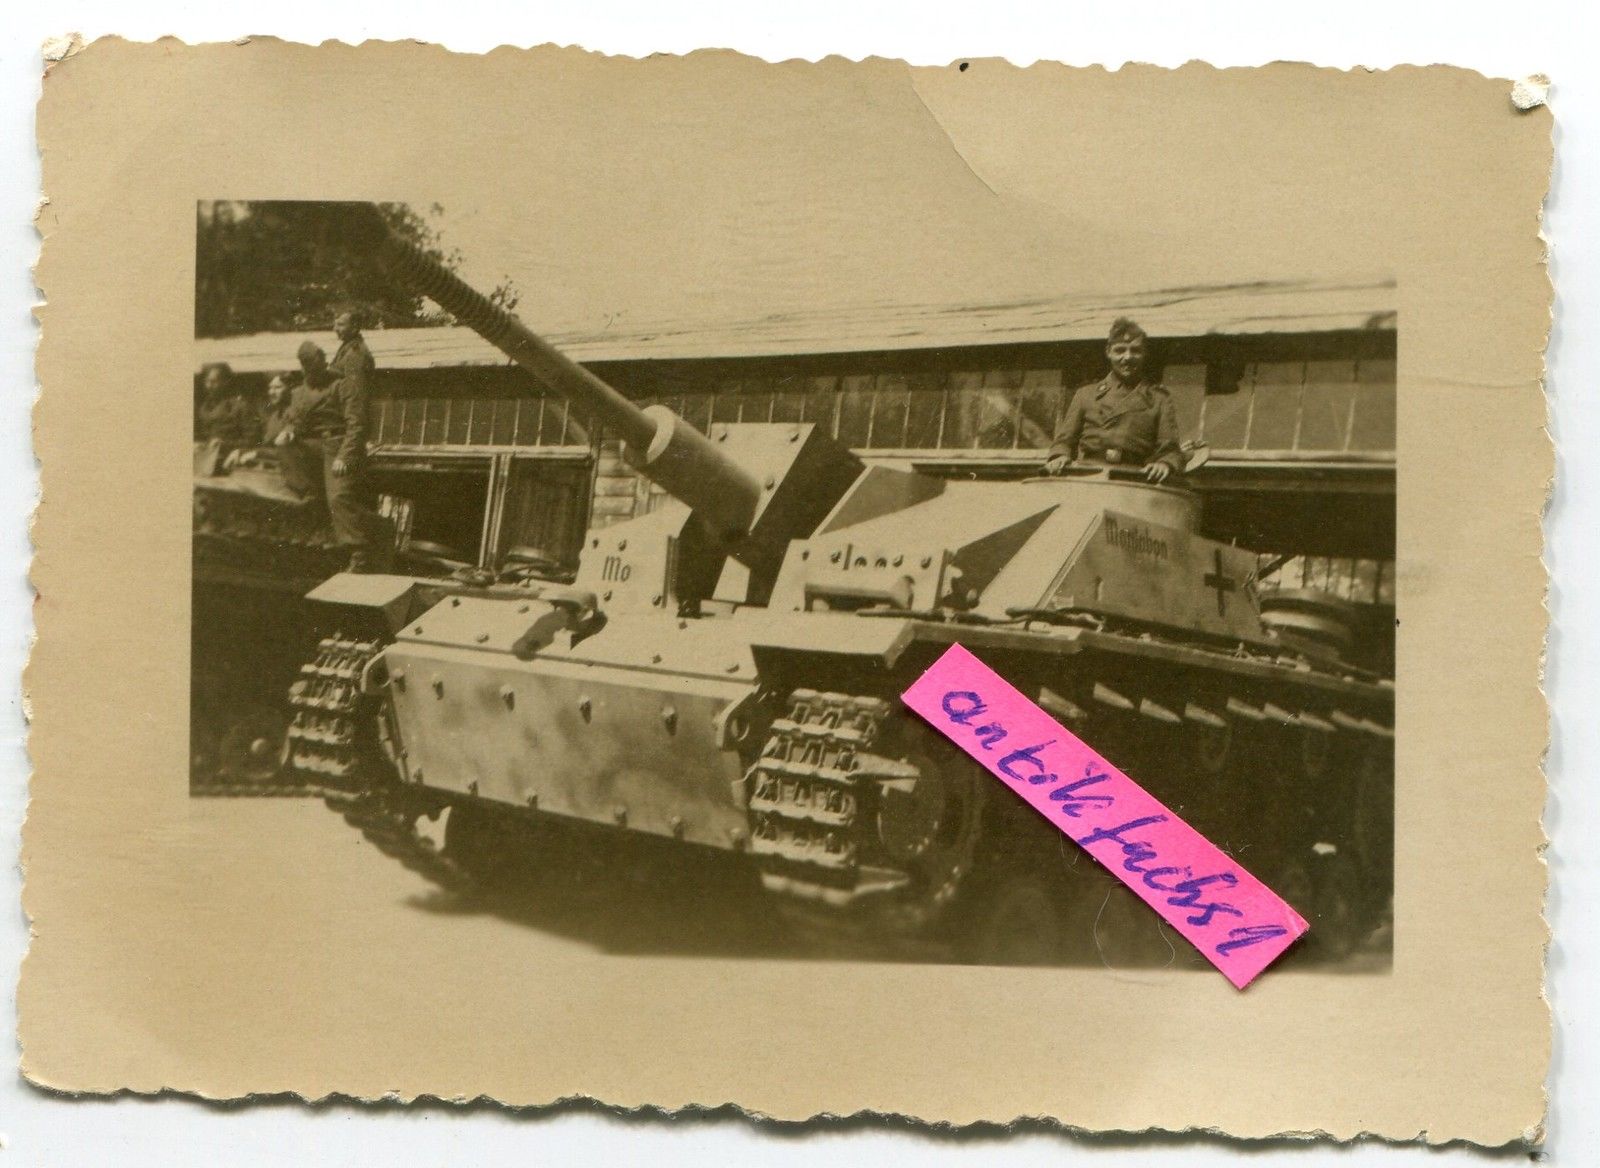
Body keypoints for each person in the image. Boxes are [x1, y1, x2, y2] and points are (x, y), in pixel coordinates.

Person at [275, 340, 386, 572]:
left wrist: (345, 456)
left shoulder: (341, 385)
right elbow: (293, 419)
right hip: (312, 445)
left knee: (338, 497)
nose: (314, 371)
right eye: (308, 367)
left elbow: (356, 424)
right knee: (284, 449)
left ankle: (359, 553)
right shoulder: (299, 392)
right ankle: (311, 496)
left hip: (337, 444)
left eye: (318, 365)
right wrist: (288, 430)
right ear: (303, 367)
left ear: (323, 362)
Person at [1045, 318, 1185, 484]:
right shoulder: (1085, 395)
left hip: (1134, 479)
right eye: (1120, 350)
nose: (1127, 357)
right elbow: (1064, 442)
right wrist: (1059, 456)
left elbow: (1170, 450)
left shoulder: (1159, 399)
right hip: (1087, 476)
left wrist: (1164, 464)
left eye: (1135, 351)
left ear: (1144, 353)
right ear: (1108, 352)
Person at [194, 362, 261, 475]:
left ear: (226, 382)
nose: (209, 386)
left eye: (214, 382)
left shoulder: (240, 406)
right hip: (204, 463)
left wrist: (225, 443)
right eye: (206, 381)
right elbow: (201, 435)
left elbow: (254, 440)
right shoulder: (204, 408)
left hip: (231, 464)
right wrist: (199, 443)